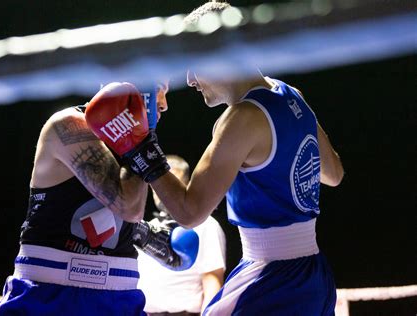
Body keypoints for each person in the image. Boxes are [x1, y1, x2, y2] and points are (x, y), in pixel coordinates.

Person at [93, 1, 345, 315]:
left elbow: (188, 212)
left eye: (191, 62)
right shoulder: (291, 94)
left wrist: (140, 148)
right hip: (314, 273)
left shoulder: (240, 119)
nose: (189, 79)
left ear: (213, 54)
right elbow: (333, 174)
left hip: (273, 278)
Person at [0, 81, 199, 316]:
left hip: (120, 297)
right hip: (51, 296)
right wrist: (142, 139)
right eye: (159, 87)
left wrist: (143, 234)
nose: (163, 103)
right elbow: (127, 208)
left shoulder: (129, 143)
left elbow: (118, 214)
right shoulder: (68, 126)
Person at [137, 155, 227, 316]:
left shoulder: (205, 225)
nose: (164, 192)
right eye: (158, 186)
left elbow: (212, 281)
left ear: (185, 186)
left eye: (171, 186)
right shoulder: (148, 228)